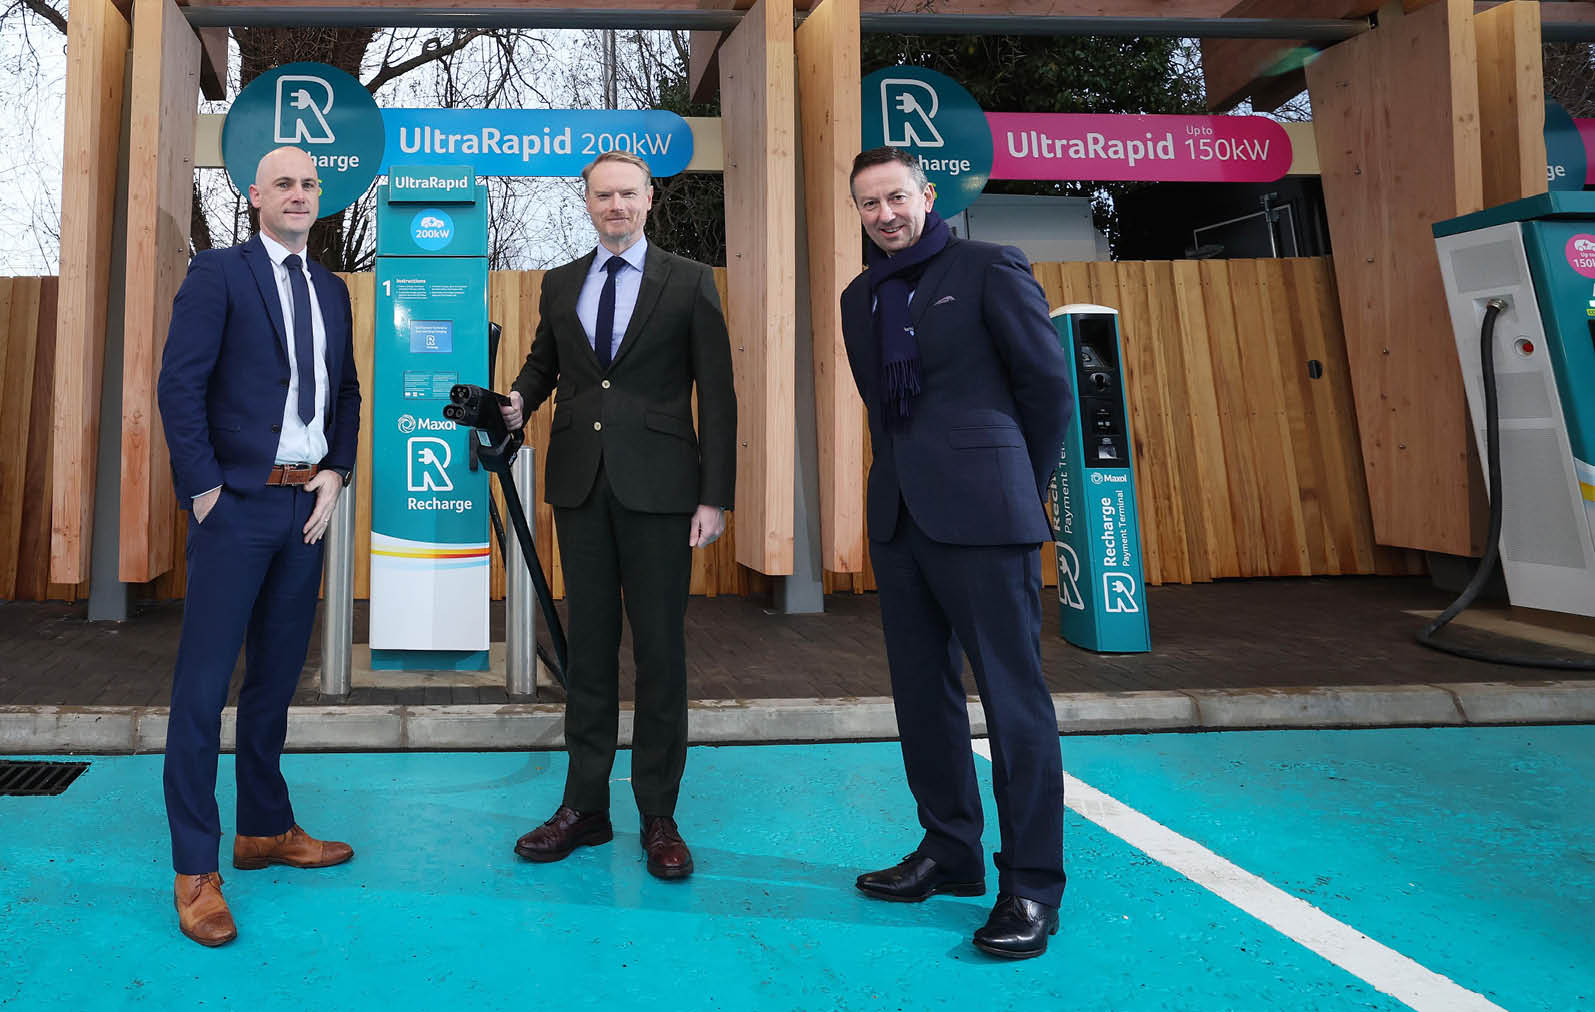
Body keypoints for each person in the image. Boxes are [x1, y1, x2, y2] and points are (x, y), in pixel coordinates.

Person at [840, 147, 1072, 959]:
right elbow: (881, 410)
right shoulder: (859, 296)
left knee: (1013, 703)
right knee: (921, 697)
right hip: (900, 518)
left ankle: (1032, 885)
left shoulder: (987, 267)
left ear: (926, 194)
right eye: (869, 204)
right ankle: (949, 851)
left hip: (986, 515)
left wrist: (1014, 487)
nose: (884, 215)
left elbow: (1047, 389)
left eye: (895, 198)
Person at [499, 150, 736, 880]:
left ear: (649, 198)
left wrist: (715, 495)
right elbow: (544, 364)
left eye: (628, 194)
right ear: (587, 202)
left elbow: (717, 393)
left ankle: (659, 815)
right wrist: (517, 401)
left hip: (662, 490)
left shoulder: (689, 280)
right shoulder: (561, 282)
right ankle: (585, 807)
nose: (616, 206)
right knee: (589, 653)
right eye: (603, 195)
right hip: (581, 487)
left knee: (660, 654)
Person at [156, 145, 360, 947]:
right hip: (233, 507)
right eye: (284, 183)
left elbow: (345, 393)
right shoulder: (219, 273)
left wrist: (336, 473)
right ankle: (194, 870)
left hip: (304, 509)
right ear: (255, 196)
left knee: (274, 682)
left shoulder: (332, 289)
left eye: (309, 183)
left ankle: (265, 829)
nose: (299, 193)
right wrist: (204, 490)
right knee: (202, 691)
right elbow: (180, 385)